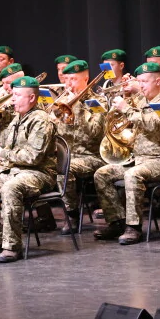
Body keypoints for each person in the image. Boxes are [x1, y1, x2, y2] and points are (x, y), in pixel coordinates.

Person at [0, 76, 57, 263]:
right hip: (14, 171)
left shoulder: (41, 120)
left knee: (11, 188)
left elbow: (33, 157)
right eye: (13, 95)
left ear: (31, 98)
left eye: (17, 95)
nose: (13, 98)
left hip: (38, 173)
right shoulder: (17, 118)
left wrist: (1, 153)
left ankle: (11, 246)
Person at [93, 63, 160, 245]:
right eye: (139, 82)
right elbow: (120, 119)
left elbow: (154, 123)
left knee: (132, 175)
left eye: (145, 82)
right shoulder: (140, 100)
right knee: (102, 174)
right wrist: (120, 105)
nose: (141, 85)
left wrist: (126, 108)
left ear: (158, 81)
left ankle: (133, 227)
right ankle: (116, 222)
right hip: (138, 159)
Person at [50, 60, 105, 234]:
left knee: (65, 168)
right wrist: (51, 121)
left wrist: (77, 109)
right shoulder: (61, 102)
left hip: (92, 156)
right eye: (66, 79)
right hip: (68, 155)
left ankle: (72, 214)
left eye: (73, 79)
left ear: (86, 79)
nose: (69, 84)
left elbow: (95, 132)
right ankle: (47, 217)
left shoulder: (97, 102)